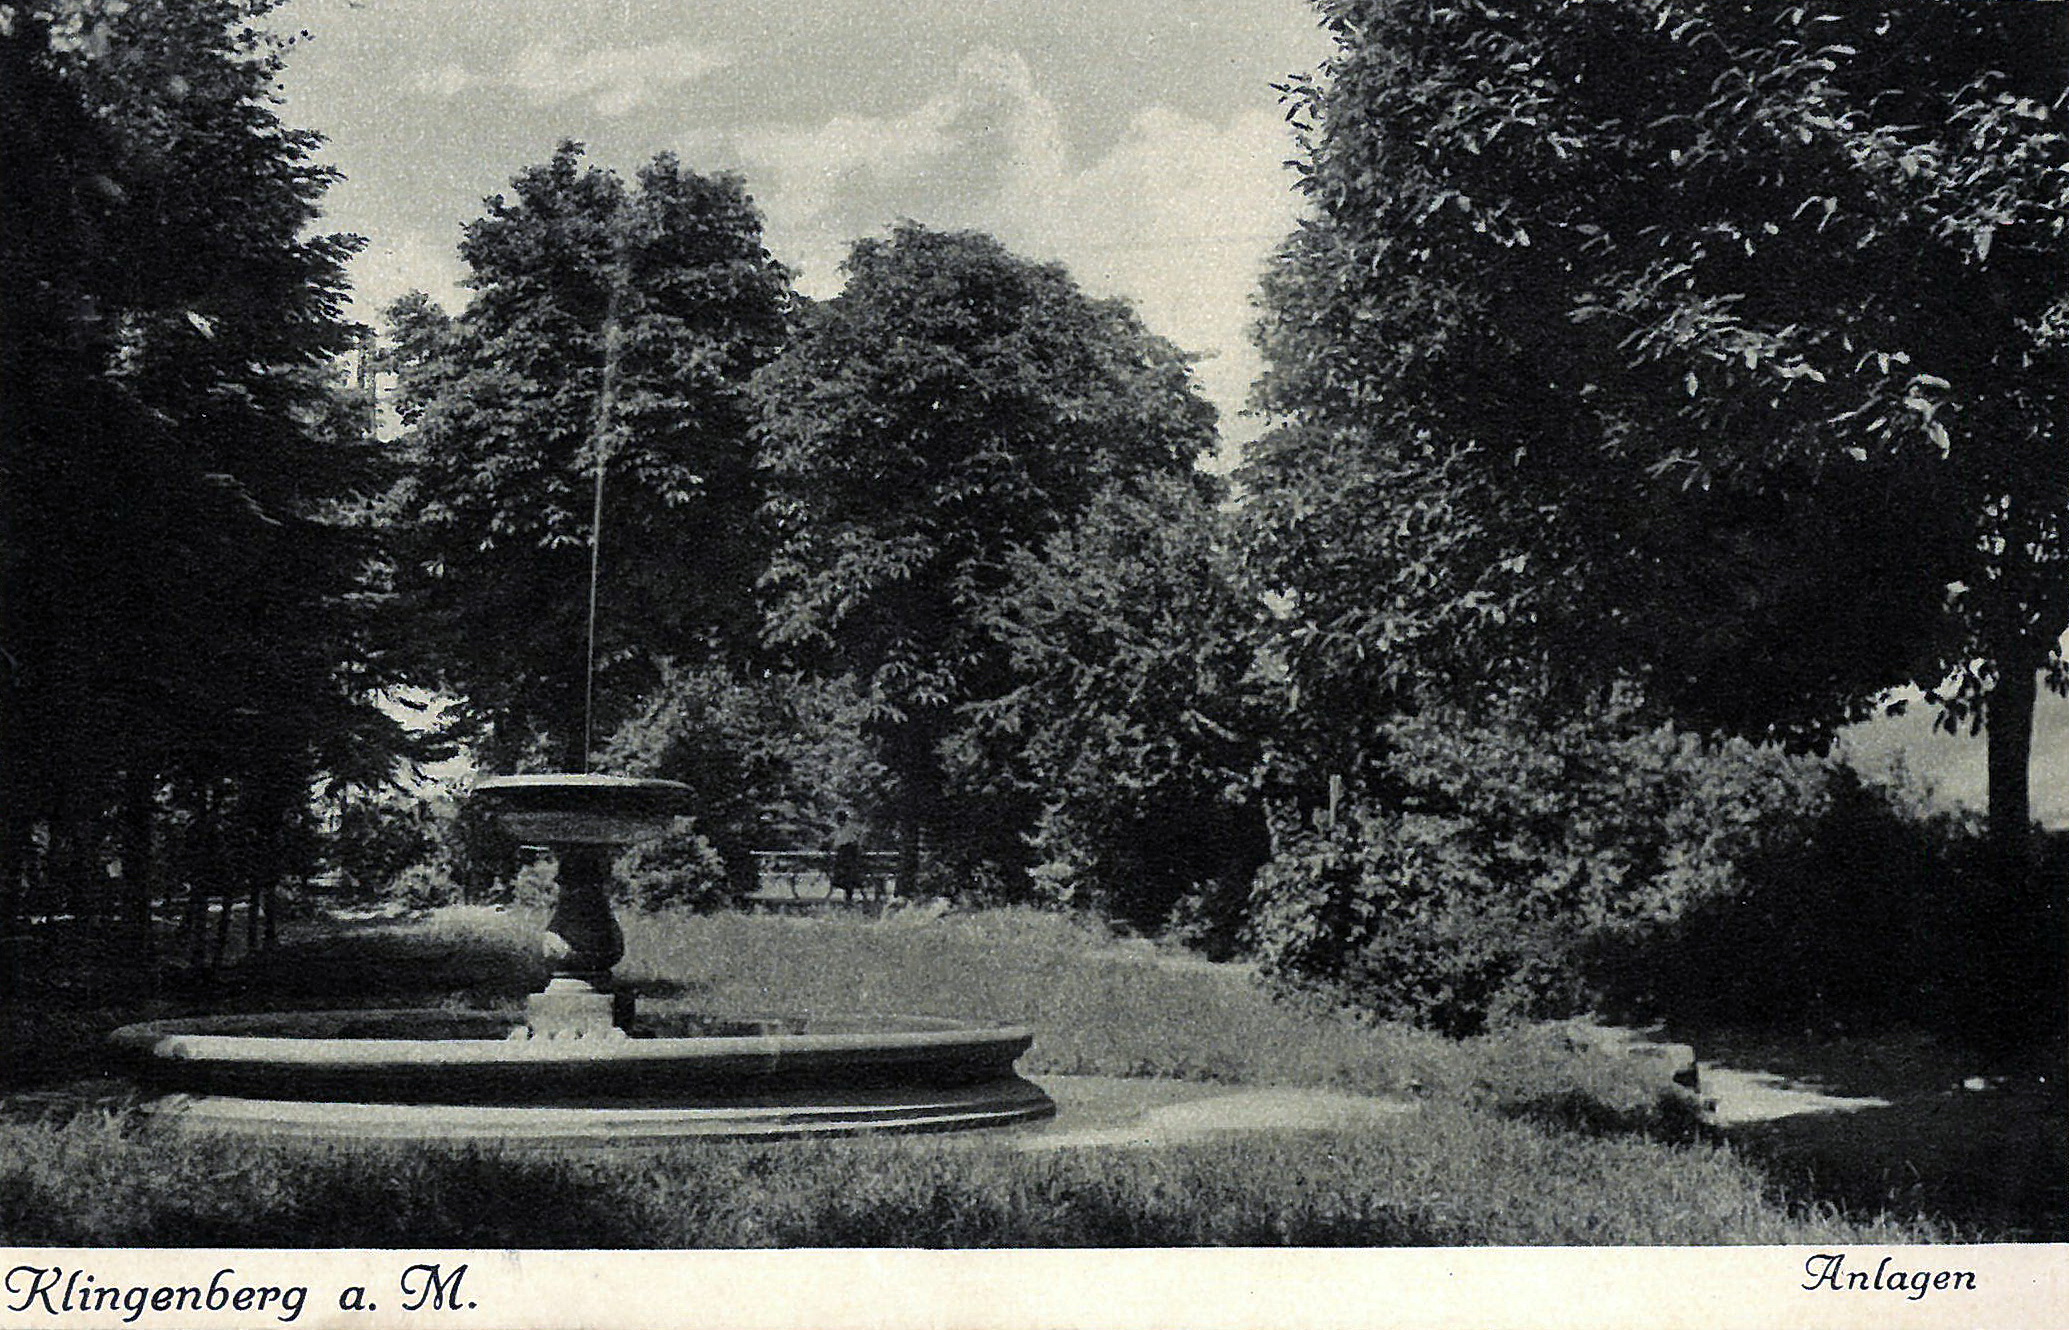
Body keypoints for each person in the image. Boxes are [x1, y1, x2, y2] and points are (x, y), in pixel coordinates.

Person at [827, 811, 866, 904]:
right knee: (841, 873)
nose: (839, 821)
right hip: (842, 852)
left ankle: (850, 895)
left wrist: (859, 844)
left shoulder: (850, 828)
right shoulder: (839, 829)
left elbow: (861, 833)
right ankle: (847, 893)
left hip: (849, 852)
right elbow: (833, 838)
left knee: (849, 874)